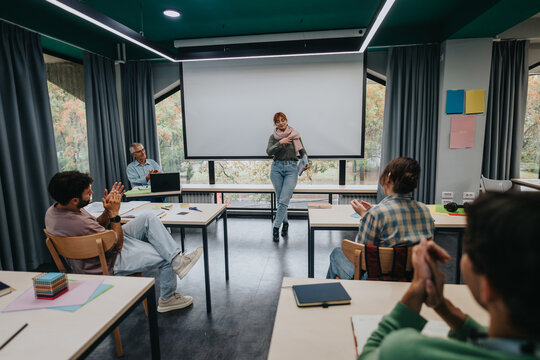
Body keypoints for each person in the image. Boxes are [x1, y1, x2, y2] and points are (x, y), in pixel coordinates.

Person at [358, 191, 540, 360]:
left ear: (489, 287)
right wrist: (443, 307)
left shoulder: (407, 350)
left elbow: (369, 354)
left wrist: (415, 291)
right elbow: (501, 344)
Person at [45, 171, 203, 313]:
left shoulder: (54, 211)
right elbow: (117, 244)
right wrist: (114, 213)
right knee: (165, 255)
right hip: (106, 261)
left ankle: (178, 261)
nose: (92, 192)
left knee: (148, 217)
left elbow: (99, 226)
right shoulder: (78, 223)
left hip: (101, 246)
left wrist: (107, 211)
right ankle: (167, 298)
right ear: (74, 200)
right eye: (88, 192)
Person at [327, 157, 434, 279]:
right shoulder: (425, 210)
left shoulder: (376, 214)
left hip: (377, 277)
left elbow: (362, 255)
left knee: (336, 254)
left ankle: (333, 295)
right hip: (412, 277)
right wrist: (372, 212)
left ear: (388, 177)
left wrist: (365, 216)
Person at [266, 112, 308, 242]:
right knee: (280, 200)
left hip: (291, 169)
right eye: (278, 121)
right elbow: (269, 152)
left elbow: (303, 152)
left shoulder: (295, 134)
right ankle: (285, 223)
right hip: (276, 169)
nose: (281, 123)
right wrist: (280, 143)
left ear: (286, 120)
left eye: (282, 120)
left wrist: (306, 163)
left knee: (284, 199)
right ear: (275, 124)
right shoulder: (273, 137)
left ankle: (275, 227)